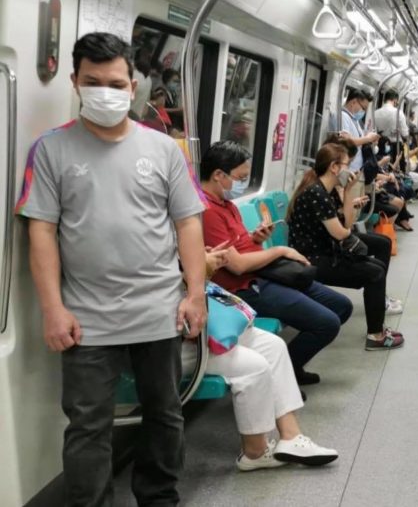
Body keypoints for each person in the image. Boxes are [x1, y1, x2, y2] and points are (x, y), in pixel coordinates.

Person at [17, 32, 208, 505]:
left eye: (116, 82)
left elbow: (188, 222)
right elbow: (40, 231)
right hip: (87, 317)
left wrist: (195, 293)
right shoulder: (51, 149)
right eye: (93, 81)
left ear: (133, 84)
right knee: (87, 427)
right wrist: (52, 309)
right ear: (75, 82)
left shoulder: (165, 150)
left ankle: (159, 497)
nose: (106, 90)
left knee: (165, 414)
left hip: (159, 309)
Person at [200, 141, 353, 385]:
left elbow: (239, 247)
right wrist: (280, 250)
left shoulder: (227, 205)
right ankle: (283, 378)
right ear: (219, 175)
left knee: (341, 306)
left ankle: (290, 365)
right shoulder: (207, 212)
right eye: (240, 178)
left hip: (264, 274)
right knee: (327, 323)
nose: (241, 184)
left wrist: (256, 240)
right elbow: (237, 266)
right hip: (243, 288)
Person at [203, 249, 340, 471]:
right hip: (183, 340)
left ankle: (291, 437)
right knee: (255, 366)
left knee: (274, 346)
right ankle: (255, 453)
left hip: (210, 315)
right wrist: (199, 266)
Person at [288, 141, 405, 350]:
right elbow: (342, 232)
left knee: (381, 249)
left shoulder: (329, 190)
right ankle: (376, 335)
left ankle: (377, 312)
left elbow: (347, 224)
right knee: (374, 273)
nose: (349, 170)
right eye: (345, 164)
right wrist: (347, 201)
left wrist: (347, 195)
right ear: (334, 167)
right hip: (310, 259)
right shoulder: (316, 193)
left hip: (326, 248)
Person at [331, 88, 380, 172]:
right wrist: (368, 138)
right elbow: (345, 142)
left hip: (355, 170)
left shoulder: (355, 120)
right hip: (347, 170)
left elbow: (358, 141)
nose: (363, 112)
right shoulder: (342, 116)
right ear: (353, 102)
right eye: (363, 108)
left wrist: (370, 141)